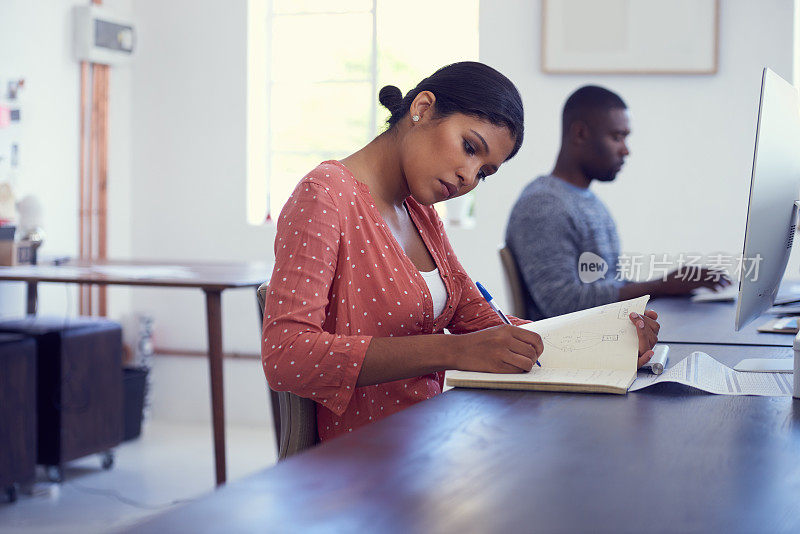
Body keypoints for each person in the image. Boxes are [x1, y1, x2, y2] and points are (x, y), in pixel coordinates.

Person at [262, 64, 660, 442]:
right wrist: (453, 350)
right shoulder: (325, 195)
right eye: (470, 147)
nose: (469, 177)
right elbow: (285, 356)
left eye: (484, 173)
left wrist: (611, 340)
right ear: (422, 108)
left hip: (437, 437)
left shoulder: (421, 214)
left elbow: (489, 324)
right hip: (369, 459)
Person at [505, 85, 729, 320]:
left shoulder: (587, 201)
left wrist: (671, 286)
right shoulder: (544, 205)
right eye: (617, 137)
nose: (626, 150)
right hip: (571, 350)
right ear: (580, 133)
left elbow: (607, 286)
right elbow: (563, 303)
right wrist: (661, 286)